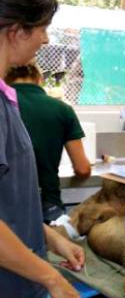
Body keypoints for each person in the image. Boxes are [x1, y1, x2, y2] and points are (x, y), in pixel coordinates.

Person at [0, 0, 84, 298]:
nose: (46, 41)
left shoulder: (7, 97)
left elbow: (10, 203)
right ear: (17, 30)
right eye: (43, 29)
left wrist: (49, 238)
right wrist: (51, 278)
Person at [5, 62, 91, 223]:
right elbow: (82, 169)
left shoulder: (4, 106)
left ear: (5, 77)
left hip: (7, 208)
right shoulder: (62, 109)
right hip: (48, 205)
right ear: (39, 78)